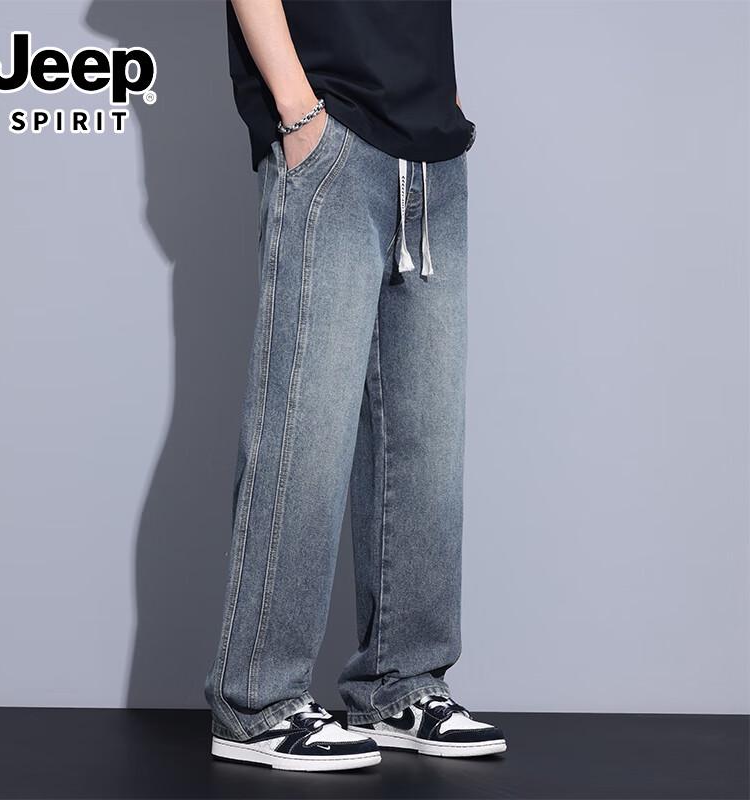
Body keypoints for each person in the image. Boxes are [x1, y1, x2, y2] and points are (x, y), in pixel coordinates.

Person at [204, 0, 506, 771]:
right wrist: (297, 110)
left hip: (431, 146)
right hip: (330, 127)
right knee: (302, 432)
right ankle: (255, 701)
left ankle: (404, 684)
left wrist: (445, 98)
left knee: (425, 438)